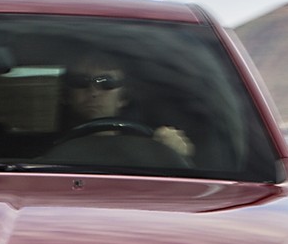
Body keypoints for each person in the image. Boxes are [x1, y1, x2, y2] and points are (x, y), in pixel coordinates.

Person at [54, 56, 195, 164]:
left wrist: (177, 153)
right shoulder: (43, 151)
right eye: (81, 82)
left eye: (107, 83)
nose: (93, 92)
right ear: (68, 95)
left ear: (123, 98)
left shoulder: (154, 148)